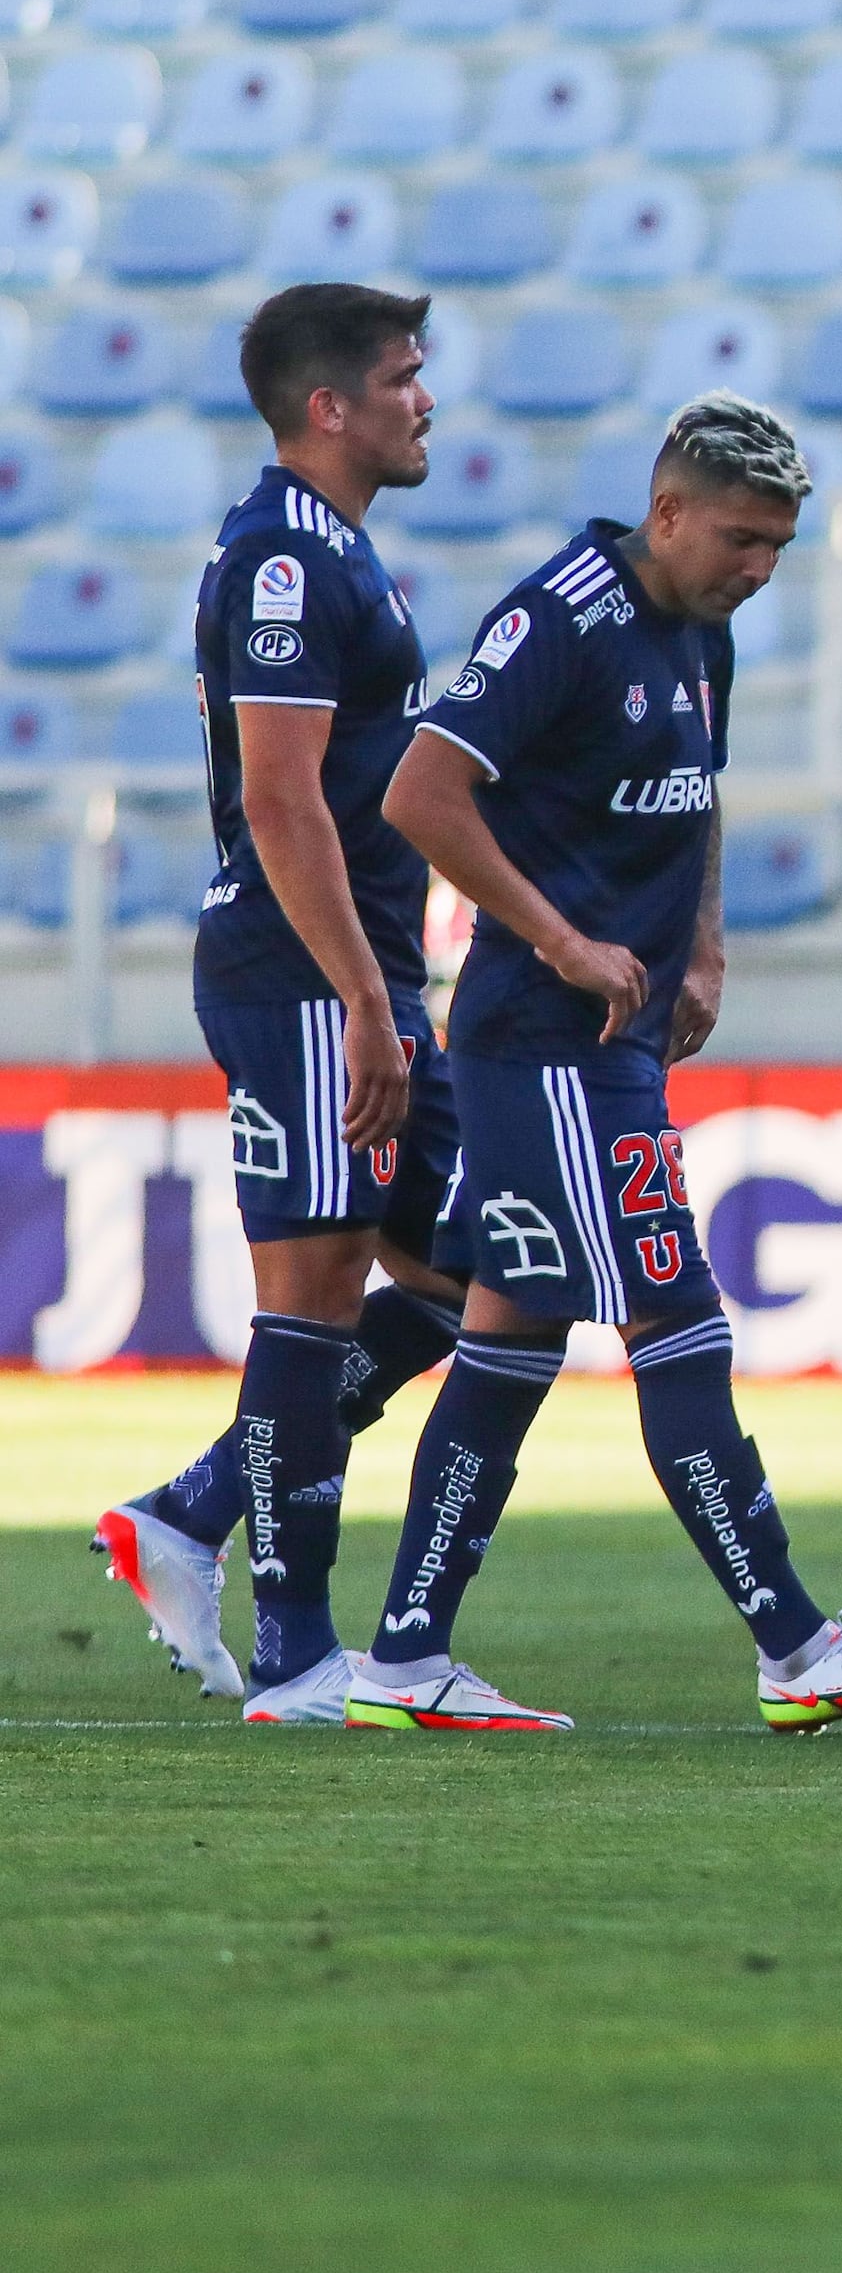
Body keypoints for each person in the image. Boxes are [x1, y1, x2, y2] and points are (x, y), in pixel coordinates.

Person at [346, 396, 842, 1733]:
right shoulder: (561, 617)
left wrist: (703, 947)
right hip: (548, 1041)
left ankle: (405, 1654)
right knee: (676, 1318)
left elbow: (700, 790)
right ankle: (797, 1644)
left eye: (781, 547)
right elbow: (419, 792)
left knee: (511, 1333)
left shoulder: (705, 634)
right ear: (669, 508)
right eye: (743, 538)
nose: (759, 568)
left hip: (614, 1035)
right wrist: (563, 937)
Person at [91, 285, 474, 1724]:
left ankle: (190, 1510)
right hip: (309, 976)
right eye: (404, 376)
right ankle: (299, 1651)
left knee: (475, 1277)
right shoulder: (282, 559)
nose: (425, 400)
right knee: (309, 1301)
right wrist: (366, 997)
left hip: (361, 972)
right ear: (332, 405)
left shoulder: (335, 552)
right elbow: (276, 796)